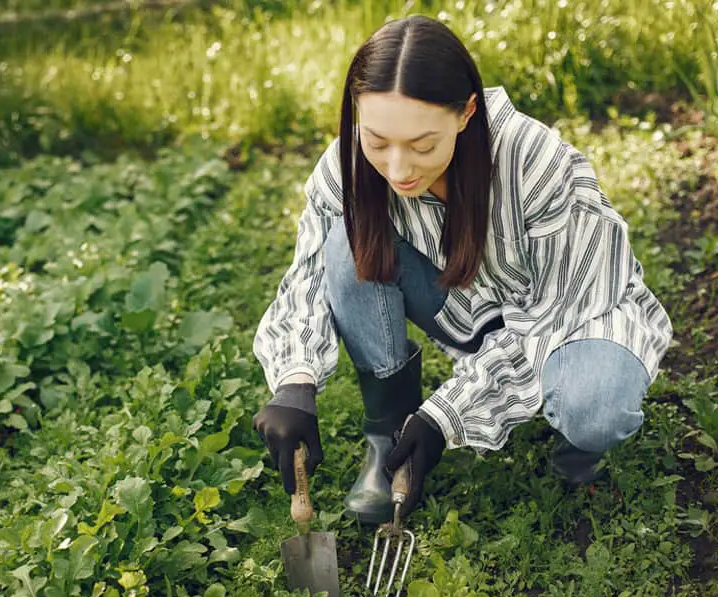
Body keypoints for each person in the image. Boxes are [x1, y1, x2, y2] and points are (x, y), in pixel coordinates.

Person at [250, 15, 673, 524]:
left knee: (593, 406)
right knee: (345, 239)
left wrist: (442, 415)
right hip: (467, 307)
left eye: (423, 145)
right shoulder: (349, 164)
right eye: (379, 141)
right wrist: (294, 381)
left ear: (467, 112)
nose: (399, 169)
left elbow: (551, 319)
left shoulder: (535, 163)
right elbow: (309, 274)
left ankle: (575, 436)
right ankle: (390, 439)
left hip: (573, 318)